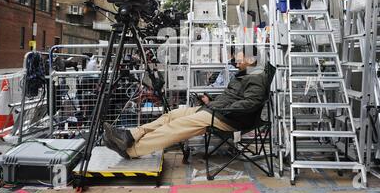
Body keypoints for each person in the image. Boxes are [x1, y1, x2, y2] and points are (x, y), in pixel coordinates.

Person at [103, 47, 268, 159]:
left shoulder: (256, 76)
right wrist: (212, 102)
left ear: (251, 59)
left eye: (240, 59)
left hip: (228, 118)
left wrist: (222, 108)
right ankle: (130, 136)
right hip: (218, 111)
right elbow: (234, 97)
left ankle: (131, 151)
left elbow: (251, 103)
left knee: (177, 126)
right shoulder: (246, 74)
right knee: (172, 115)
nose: (236, 62)